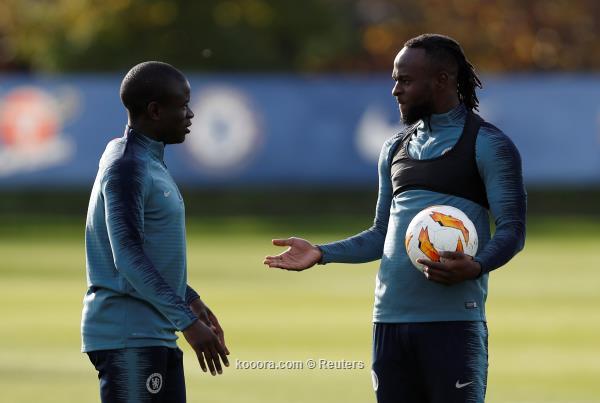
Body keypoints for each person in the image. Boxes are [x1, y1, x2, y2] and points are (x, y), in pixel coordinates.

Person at [264, 34, 526, 403]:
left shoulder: (487, 144)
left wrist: (477, 265)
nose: (395, 90)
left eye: (405, 80)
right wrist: (321, 253)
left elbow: (513, 229)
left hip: (453, 324)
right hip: (388, 323)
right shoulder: (394, 147)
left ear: (441, 80)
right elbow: (381, 234)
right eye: (394, 79)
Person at [82, 61, 229, 403]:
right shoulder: (126, 166)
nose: (190, 114)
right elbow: (128, 256)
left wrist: (191, 301)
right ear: (155, 111)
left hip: (153, 333)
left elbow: (150, 254)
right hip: (129, 335)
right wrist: (187, 322)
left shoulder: (146, 160)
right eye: (183, 105)